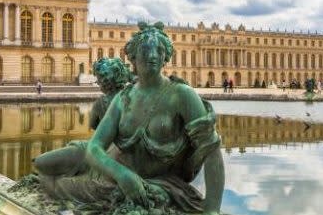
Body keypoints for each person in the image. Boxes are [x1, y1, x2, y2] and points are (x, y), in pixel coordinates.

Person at [33, 22, 224, 215]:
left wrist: (213, 209)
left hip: (136, 181)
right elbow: (93, 148)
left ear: (166, 56)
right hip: (109, 166)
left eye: (158, 50)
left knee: (53, 184)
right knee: (41, 164)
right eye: (146, 50)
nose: (153, 56)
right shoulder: (123, 98)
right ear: (132, 56)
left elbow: (211, 150)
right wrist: (121, 174)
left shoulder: (181, 95)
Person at [89, 57, 131, 130]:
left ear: (104, 81)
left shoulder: (100, 103)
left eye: (99, 78)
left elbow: (93, 125)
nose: (97, 82)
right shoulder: (132, 97)